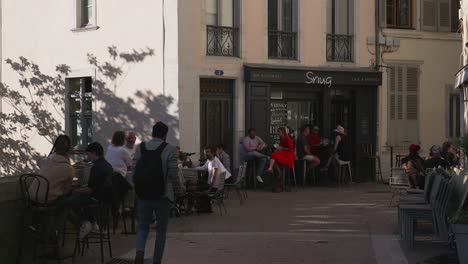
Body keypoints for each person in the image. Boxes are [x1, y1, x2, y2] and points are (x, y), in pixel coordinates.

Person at [133, 122, 184, 264]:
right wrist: (179, 192)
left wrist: (138, 189)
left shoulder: (140, 147)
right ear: (165, 135)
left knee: (143, 227)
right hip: (163, 195)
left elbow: (134, 169)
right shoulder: (170, 149)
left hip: (143, 194)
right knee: (161, 231)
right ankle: (156, 261)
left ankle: (139, 252)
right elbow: (174, 174)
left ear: (152, 133)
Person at [70, 142, 114, 239]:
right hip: (106, 199)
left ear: (94, 153)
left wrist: (76, 190)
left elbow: (89, 190)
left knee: (70, 201)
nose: (88, 157)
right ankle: (93, 223)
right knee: (80, 198)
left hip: (96, 199)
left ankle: (84, 223)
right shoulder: (107, 165)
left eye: (88, 154)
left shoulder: (96, 167)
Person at [29, 135, 74, 203]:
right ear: (68, 150)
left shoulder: (47, 160)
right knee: (68, 196)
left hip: (31, 196)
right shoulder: (69, 168)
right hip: (45, 200)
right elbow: (67, 189)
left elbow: (39, 161)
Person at [266, 127, 296, 192]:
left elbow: (291, 149)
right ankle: (279, 174)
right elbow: (281, 146)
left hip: (289, 155)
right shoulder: (281, 138)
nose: (278, 133)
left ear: (283, 132)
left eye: (279, 132)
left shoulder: (287, 138)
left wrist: (282, 148)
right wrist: (278, 148)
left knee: (273, 155)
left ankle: (271, 169)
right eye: (278, 132)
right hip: (284, 153)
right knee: (273, 156)